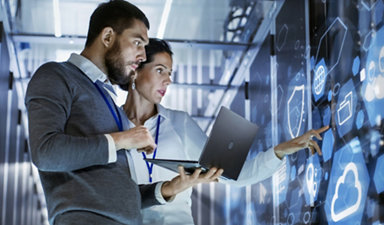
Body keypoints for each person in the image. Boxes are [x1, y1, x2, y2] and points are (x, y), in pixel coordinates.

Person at [24, 1, 223, 225]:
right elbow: (45, 152)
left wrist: (170, 187)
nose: (141, 55)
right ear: (108, 37)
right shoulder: (56, 75)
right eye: (137, 43)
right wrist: (122, 139)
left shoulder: (107, 98)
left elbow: (117, 193)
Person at [119, 38, 329, 225]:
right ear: (135, 70)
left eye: (170, 73)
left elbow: (236, 175)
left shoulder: (178, 122)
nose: (168, 80)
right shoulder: (111, 128)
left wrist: (279, 151)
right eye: (160, 70)